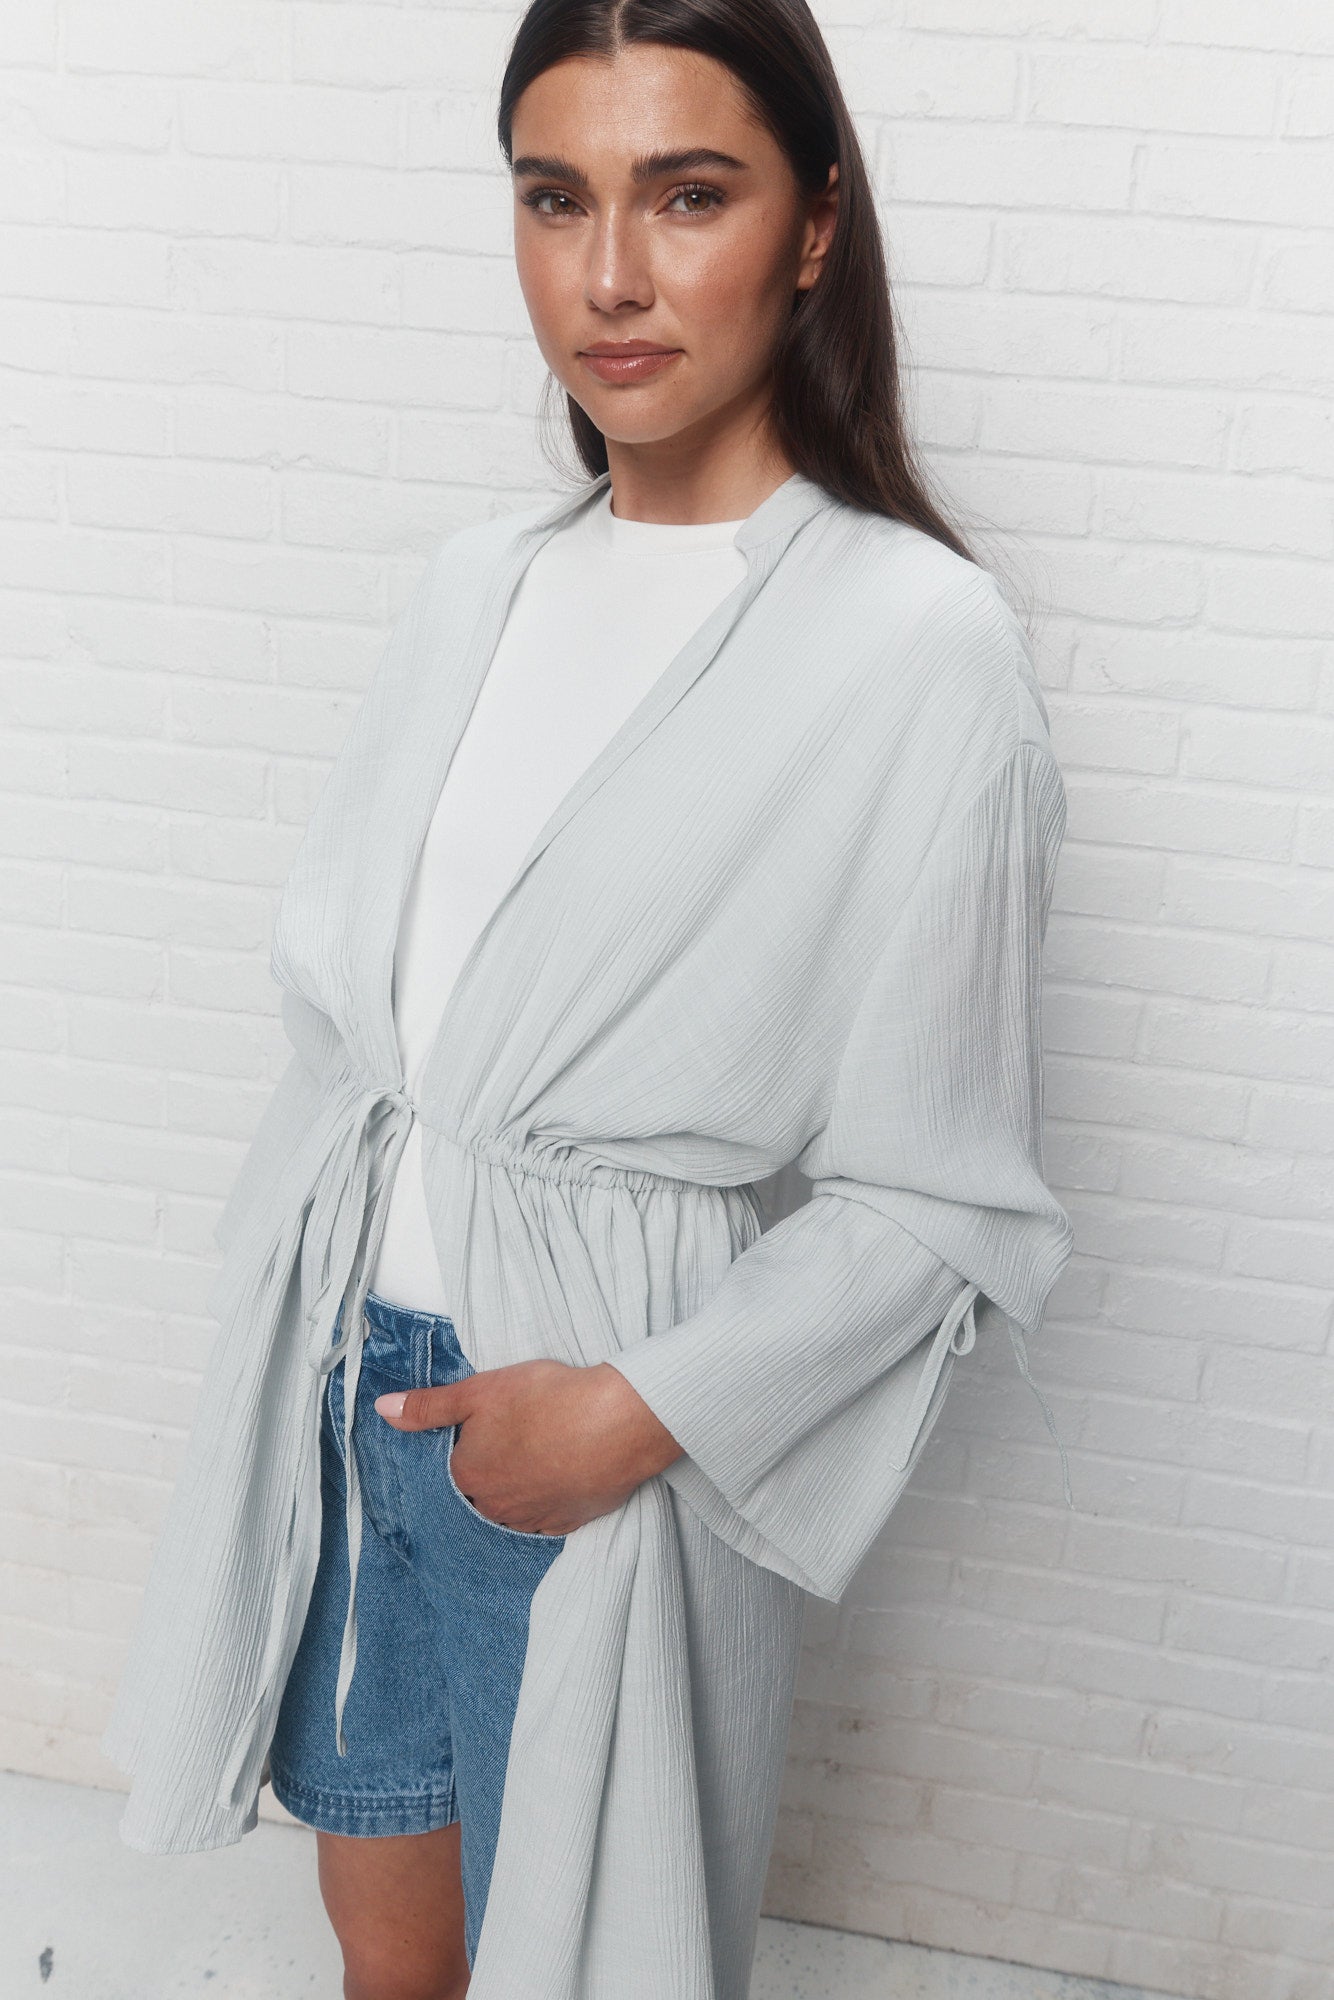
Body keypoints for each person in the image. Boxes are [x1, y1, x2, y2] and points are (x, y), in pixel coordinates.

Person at [100, 1, 1075, 1996]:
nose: (609, 275)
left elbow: (937, 1195)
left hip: (582, 1438)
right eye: (556, 200)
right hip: (344, 1391)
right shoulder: (479, 582)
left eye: (686, 195)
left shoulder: (917, 645)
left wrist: (623, 1418)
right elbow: (363, 1029)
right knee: (390, 1964)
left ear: (813, 227)